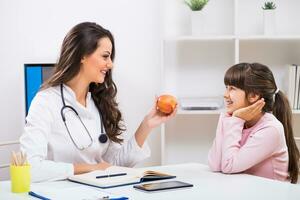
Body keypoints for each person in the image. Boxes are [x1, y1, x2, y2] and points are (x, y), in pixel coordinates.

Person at [20, 22, 176, 182]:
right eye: (105, 56)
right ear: (82, 55)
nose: (110, 64)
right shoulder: (46, 101)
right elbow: (29, 168)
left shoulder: (100, 101)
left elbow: (113, 165)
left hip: (99, 191)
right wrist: (91, 168)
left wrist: (147, 125)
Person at [208, 63, 300, 183]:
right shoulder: (238, 122)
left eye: (232, 88)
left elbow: (228, 166)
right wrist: (226, 118)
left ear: (253, 95)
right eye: (226, 87)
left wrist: (234, 120)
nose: (225, 95)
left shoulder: (271, 129)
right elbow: (215, 165)